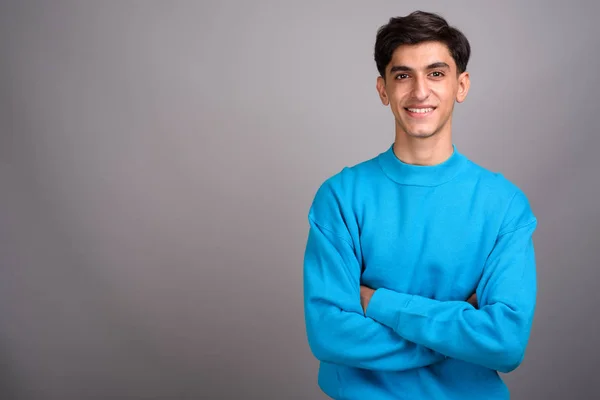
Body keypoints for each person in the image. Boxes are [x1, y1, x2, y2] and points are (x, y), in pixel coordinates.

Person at [302, 10, 538, 400]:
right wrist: (460, 332)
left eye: (436, 73)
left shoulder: (505, 205)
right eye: (402, 75)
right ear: (383, 90)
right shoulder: (341, 197)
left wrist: (379, 303)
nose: (419, 91)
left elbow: (506, 343)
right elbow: (330, 335)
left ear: (461, 85)